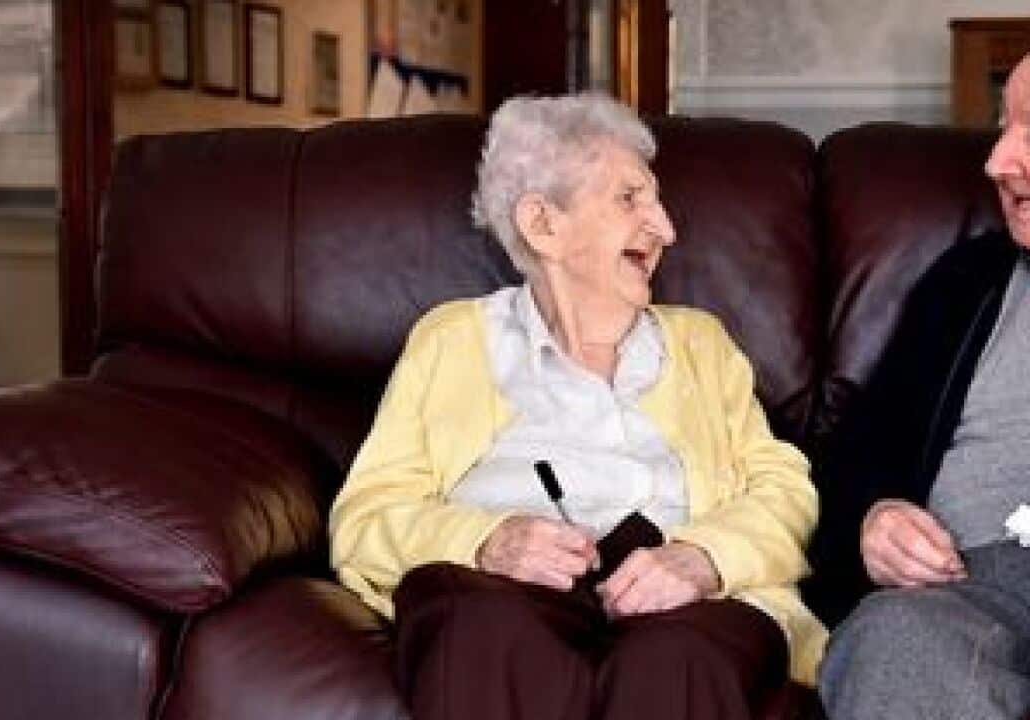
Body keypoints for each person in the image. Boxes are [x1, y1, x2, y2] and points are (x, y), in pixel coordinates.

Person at [329, 93, 825, 720]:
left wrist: (703, 558)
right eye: (629, 199)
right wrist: (485, 541)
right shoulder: (451, 340)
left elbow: (783, 487)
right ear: (542, 225)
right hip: (509, 595)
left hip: (678, 599)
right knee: (472, 619)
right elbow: (365, 519)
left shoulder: (701, 343)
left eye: (658, 200)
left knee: (680, 660)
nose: (666, 229)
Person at [805, 53, 1030, 720]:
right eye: (1003, 127)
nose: (997, 160)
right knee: (893, 641)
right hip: (966, 589)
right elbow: (851, 463)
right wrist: (873, 518)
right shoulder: (967, 282)